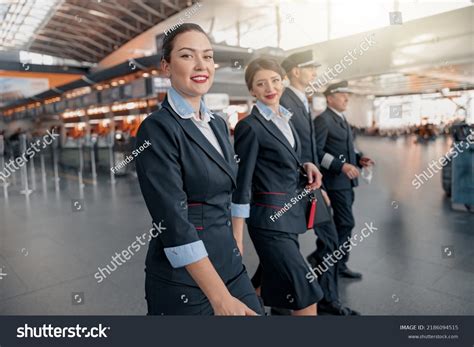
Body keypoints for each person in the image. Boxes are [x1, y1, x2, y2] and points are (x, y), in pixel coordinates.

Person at [135, 23, 262, 316]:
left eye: (207, 56)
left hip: (229, 265)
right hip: (185, 280)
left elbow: (231, 188)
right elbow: (173, 221)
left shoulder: (217, 123)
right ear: (166, 66)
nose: (201, 64)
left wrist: (237, 241)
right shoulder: (157, 129)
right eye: (187, 56)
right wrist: (220, 299)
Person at [232, 57, 324, 316]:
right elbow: (242, 184)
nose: (270, 88)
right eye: (261, 84)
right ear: (252, 90)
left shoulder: (285, 119)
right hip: (268, 224)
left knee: (264, 285)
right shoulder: (249, 127)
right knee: (306, 292)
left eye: (274, 80)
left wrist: (306, 163)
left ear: (283, 81)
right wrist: (236, 238)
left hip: (289, 218)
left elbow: (286, 157)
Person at [279, 51, 359, 315]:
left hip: (313, 183)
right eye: (309, 67)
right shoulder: (286, 100)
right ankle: (326, 299)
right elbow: (289, 145)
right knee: (326, 241)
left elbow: (310, 147)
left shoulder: (301, 99)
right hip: (302, 184)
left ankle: (277, 298)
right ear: (295, 72)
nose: (314, 72)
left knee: (294, 244)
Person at [313, 81, 374, 279]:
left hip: (346, 184)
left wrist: (358, 158)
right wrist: (342, 166)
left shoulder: (341, 119)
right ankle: (334, 263)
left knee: (341, 224)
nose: (346, 98)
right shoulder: (323, 120)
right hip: (334, 183)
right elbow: (318, 153)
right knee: (345, 223)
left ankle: (326, 260)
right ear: (330, 98)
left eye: (347, 94)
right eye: (342, 94)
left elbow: (346, 147)